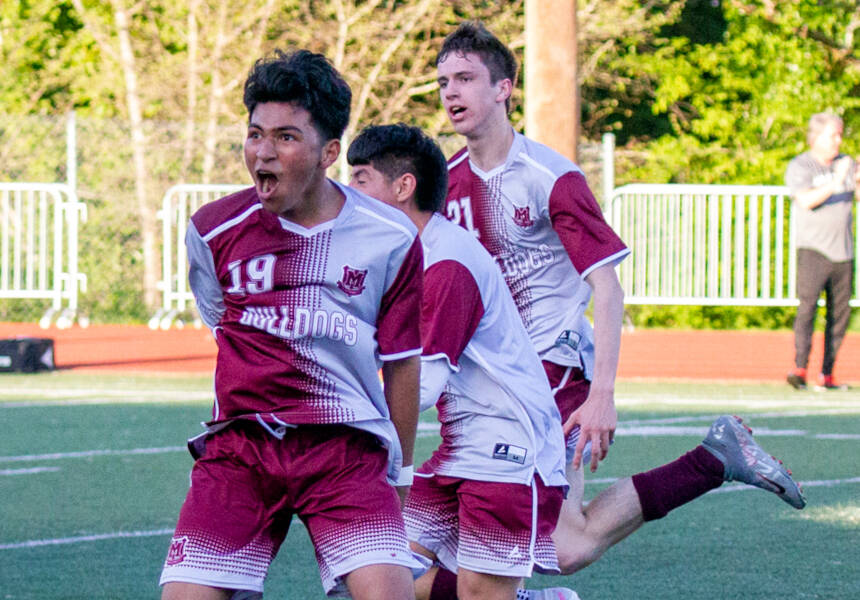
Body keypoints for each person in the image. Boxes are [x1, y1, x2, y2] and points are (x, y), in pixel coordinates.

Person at [428, 21, 807, 598]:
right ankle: (714, 458)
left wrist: (601, 394)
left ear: (504, 88)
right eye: (443, 82)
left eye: (465, 78)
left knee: (528, 549)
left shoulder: (551, 177)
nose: (451, 92)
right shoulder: (447, 184)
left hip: (548, 380)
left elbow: (606, 286)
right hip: (484, 388)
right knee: (549, 546)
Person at [159, 50, 424, 600]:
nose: (263, 152)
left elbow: (402, 363)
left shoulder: (391, 237)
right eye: (255, 134)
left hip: (345, 448)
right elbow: (222, 320)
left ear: (329, 153)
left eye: (285, 137)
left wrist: (400, 473)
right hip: (241, 449)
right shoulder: (212, 231)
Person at [346, 123, 578, 600]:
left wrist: (340, 416)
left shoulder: (446, 264)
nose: (349, 193)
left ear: (403, 187)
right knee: (383, 571)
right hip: (462, 448)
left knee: (473, 592)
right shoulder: (405, 254)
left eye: (361, 179)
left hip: (508, 451)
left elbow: (422, 385)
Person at [785, 112, 858, 391]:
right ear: (815, 137)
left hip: (843, 251)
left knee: (839, 317)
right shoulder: (802, 165)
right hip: (813, 249)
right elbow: (805, 200)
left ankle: (827, 374)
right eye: (832, 135)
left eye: (840, 134)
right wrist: (835, 182)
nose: (838, 140)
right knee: (807, 310)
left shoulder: (846, 163)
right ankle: (800, 368)